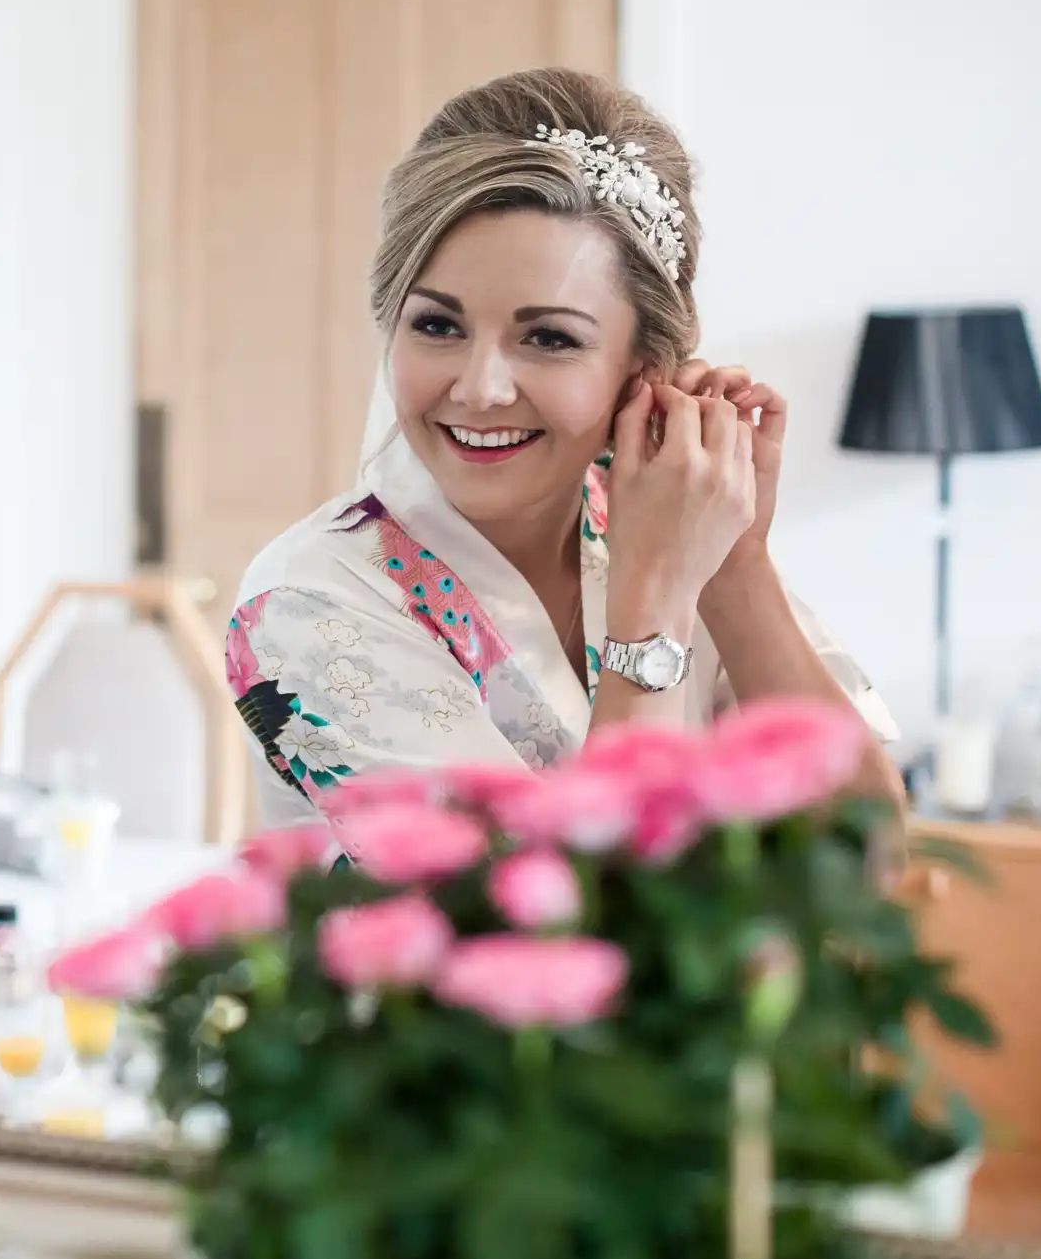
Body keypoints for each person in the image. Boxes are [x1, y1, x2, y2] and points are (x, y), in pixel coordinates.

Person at [226, 68, 903, 827]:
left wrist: (736, 564)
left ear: (644, 371)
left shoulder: (669, 533)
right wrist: (651, 608)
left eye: (549, 338)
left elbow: (867, 851)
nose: (481, 387)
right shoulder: (310, 603)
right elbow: (567, 929)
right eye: (438, 326)